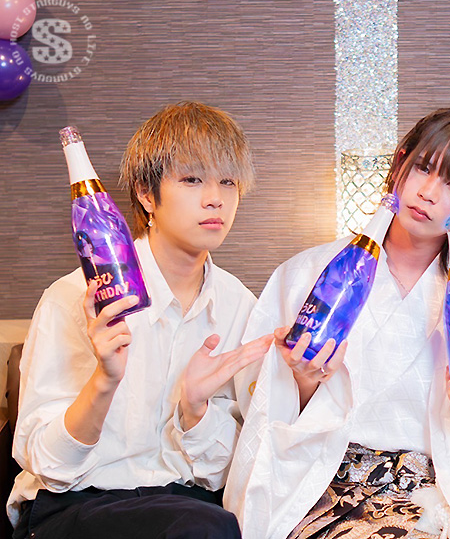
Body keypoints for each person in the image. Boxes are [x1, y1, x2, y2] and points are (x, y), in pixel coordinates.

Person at [223, 108, 450, 539]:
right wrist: (305, 379)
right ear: (401, 162)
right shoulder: (311, 271)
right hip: (326, 483)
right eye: (423, 168)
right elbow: (259, 408)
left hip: (446, 490)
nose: (427, 193)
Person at [9, 101, 274, 539]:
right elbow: (48, 466)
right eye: (192, 179)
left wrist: (195, 410)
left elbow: (233, 468)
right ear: (147, 195)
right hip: (77, 505)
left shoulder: (241, 308)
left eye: (228, 181)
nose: (216, 198)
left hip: (192, 508)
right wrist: (105, 381)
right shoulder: (74, 297)